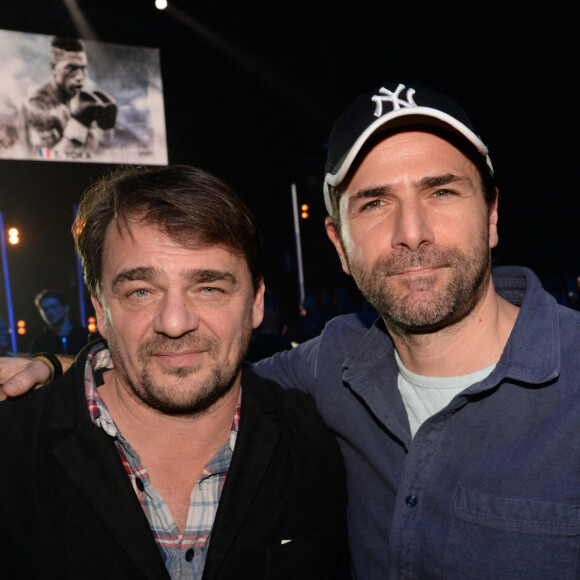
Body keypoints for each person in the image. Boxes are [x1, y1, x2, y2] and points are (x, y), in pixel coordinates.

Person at [4, 81, 579, 578]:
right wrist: (53, 368)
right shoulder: (330, 369)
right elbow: (191, 361)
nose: (412, 232)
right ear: (339, 245)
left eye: (442, 191)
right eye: (375, 203)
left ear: (494, 213)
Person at [0, 165, 347, 578]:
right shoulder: (12, 449)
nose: (176, 322)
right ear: (101, 311)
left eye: (209, 288)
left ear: (256, 302)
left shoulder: (320, 444)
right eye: (141, 291)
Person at [20, 36, 117, 154]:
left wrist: (106, 129)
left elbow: (97, 156)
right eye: (72, 68)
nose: (80, 77)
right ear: (54, 68)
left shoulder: (81, 101)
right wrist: (79, 125)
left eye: (83, 68)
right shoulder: (37, 104)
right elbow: (43, 160)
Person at [31, 289, 92, 355]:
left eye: (53, 307)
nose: (49, 312)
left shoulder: (85, 337)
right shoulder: (40, 344)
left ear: (65, 307)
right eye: (44, 309)